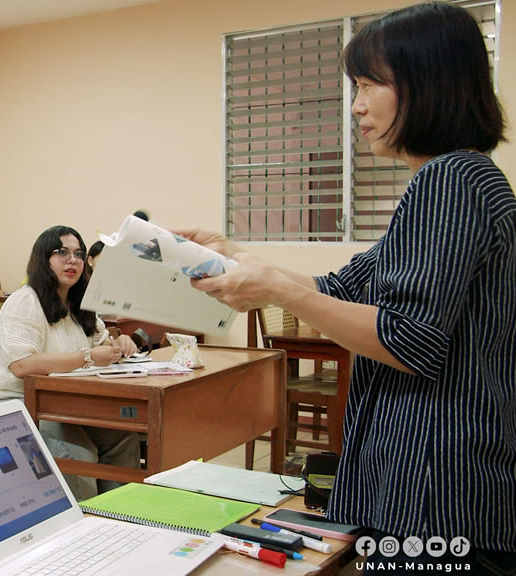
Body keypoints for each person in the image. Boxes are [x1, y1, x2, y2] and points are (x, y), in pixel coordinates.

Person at [185, 3, 515, 571]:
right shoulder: (454, 180)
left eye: (369, 85)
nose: (357, 105)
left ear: (427, 83)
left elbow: (408, 341)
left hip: (437, 495)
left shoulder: (451, 181)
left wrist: (278, 291)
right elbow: (341, 286)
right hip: (433, 491)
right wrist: (235, 254)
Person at [0, 226, 139, 500]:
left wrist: (119, 344)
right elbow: (22, 366)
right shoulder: (24, 301)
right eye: (62, 253)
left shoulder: (79, 302)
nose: (72, 260)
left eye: (78, 254)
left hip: (59, 400)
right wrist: (87, 358)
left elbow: (101, 343)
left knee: (121, 436)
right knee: (78, 452)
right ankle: (83, 526)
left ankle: (118, 513)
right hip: (9, 401)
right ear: (43, 259)